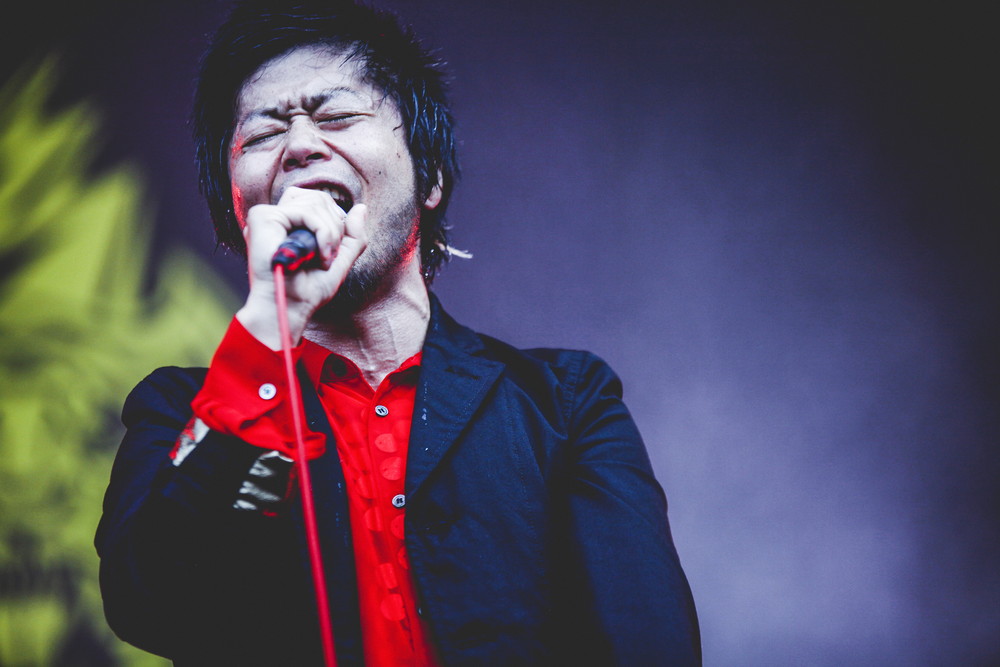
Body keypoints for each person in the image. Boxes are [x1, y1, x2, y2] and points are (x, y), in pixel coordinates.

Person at [95, 1, 701, 664]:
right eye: (263, 132)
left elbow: (648, 642)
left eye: (336, 116)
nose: (300, 146)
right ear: (236, 208)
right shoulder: (176, 410)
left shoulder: (564, 402)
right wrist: (269, 329)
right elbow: (149, 602)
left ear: (429, 177)